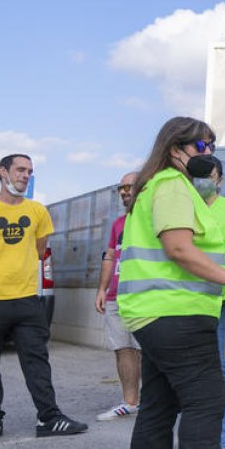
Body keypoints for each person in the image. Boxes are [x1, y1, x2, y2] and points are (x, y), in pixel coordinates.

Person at [117, 117, 225, 448]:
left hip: (158, 313)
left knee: (159, 406)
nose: (209, 151)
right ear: (174, 149)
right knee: (208, 400)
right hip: (175, 313)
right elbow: (179, 248)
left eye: (212, 145)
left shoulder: (159, 184)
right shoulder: (172, 185)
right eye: (201, 145)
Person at [0, 154, 88, 444]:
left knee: (37, 360)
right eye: (20, 169)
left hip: (29, 299)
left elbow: (39, 251)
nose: (25, 175)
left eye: (29, 171)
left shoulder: (37, 211)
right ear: (2, 172)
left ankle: (49, 418)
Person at [195, 156, 225, 449]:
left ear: (220, 180)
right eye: (197, 176)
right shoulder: (184, 206)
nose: (202, 182)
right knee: (195, 372)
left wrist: (199, 256)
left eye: (208, 176)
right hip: (192, 300)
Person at [93, 171, 142, 422]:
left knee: (148, 349)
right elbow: (110, 256)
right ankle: (130, 402)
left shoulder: (150, 219)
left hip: (143, 295)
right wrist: (102, 289)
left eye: (129, 187)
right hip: (116, 296)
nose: (124, 192)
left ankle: (157, 401)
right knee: (122, 348)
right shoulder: (117, 224)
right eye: (121, 188)